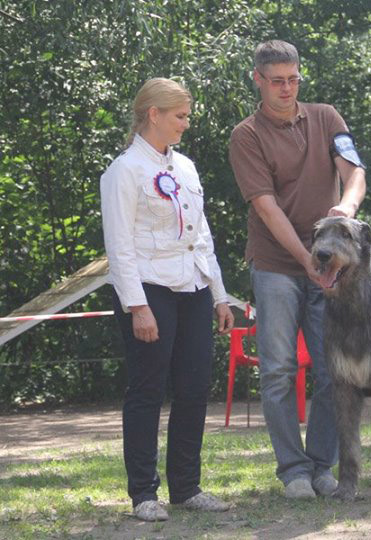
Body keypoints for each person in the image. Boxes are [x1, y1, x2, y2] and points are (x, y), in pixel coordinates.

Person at [228, 40, 366, 499]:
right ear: (258, 80)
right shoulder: (245, 135)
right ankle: (293, 471)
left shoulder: (327, 117)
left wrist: (344, 209)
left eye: (293, 80)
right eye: (277, 82)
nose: (287, 89)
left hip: (333, 271)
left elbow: (355, 173)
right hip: (275, 268)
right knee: (279, 370)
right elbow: (267, 209)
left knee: (335, 370)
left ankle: (320, 465)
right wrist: (308, 259)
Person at [101, 78, 234, 521]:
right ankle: (143, 494)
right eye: (180, 116)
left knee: (195, 389)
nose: (186, 124)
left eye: (187, 115)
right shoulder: (124, 170)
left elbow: (202, 236)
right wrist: (137, 306)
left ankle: (186, 487)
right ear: (153, 114)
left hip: (194, 288)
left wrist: (219, 295)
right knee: (147, 390)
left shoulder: (188, 168)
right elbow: (119, 246)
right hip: (149, 290)